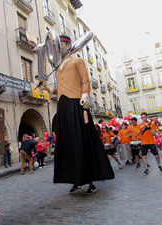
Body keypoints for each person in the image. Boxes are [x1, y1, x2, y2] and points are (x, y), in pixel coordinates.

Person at [39, 35, 114, 194]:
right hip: (62, 106)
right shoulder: (58, 67)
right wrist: (46, 88)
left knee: (82, 141)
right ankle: (76, 179)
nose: (58, 49)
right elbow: (59, 89)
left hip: (76, 103)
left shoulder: (77, 62)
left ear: (67, 45)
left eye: (61, 45)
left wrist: (85, 96)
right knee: (68, 144)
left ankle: (91, 182)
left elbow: (85, 81)